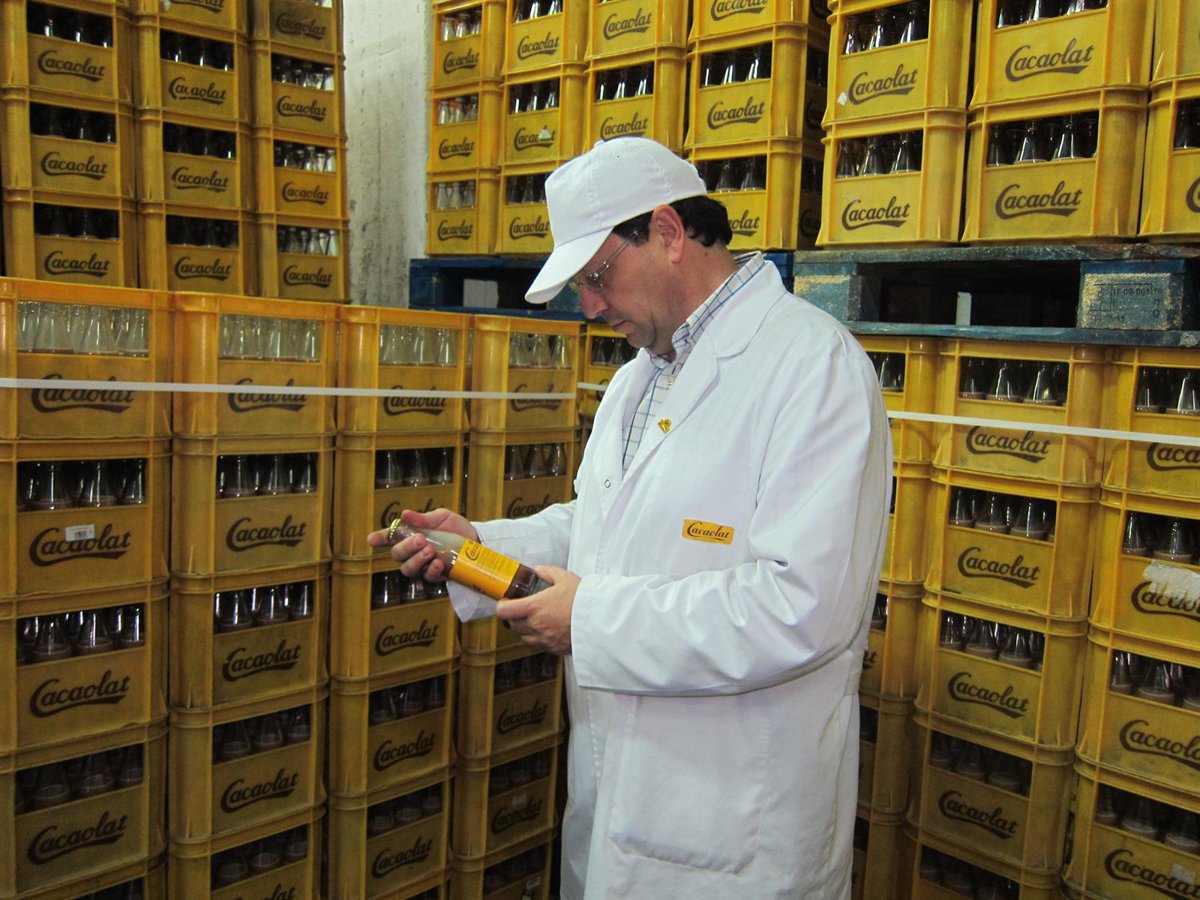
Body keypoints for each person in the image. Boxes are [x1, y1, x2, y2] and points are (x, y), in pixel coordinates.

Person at [370, 137, 892, 899]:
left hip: (735, 822)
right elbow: (606, 527)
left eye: (597, 276)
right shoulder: (639, 379)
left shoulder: (812, 367)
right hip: (617, 794)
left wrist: (592, 620)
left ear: (669, 233)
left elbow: (805, 608)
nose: (590, 306)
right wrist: (480, 547)